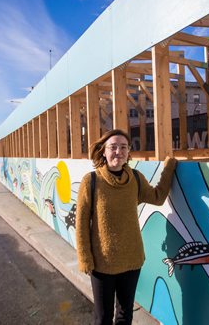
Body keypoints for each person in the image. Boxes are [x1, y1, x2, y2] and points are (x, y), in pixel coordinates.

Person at [75, 129, 177, 325]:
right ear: (103, 151)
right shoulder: (92, 181)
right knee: (103, 318)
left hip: (131, 260)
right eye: (113, 147)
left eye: (123, 147)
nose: (118, 152)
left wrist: (169, 168)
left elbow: (157, 197)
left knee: (125, 315)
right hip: (102, 263)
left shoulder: (136, 179)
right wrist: (85, 258)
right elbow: (81, 223)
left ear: (129, 152)